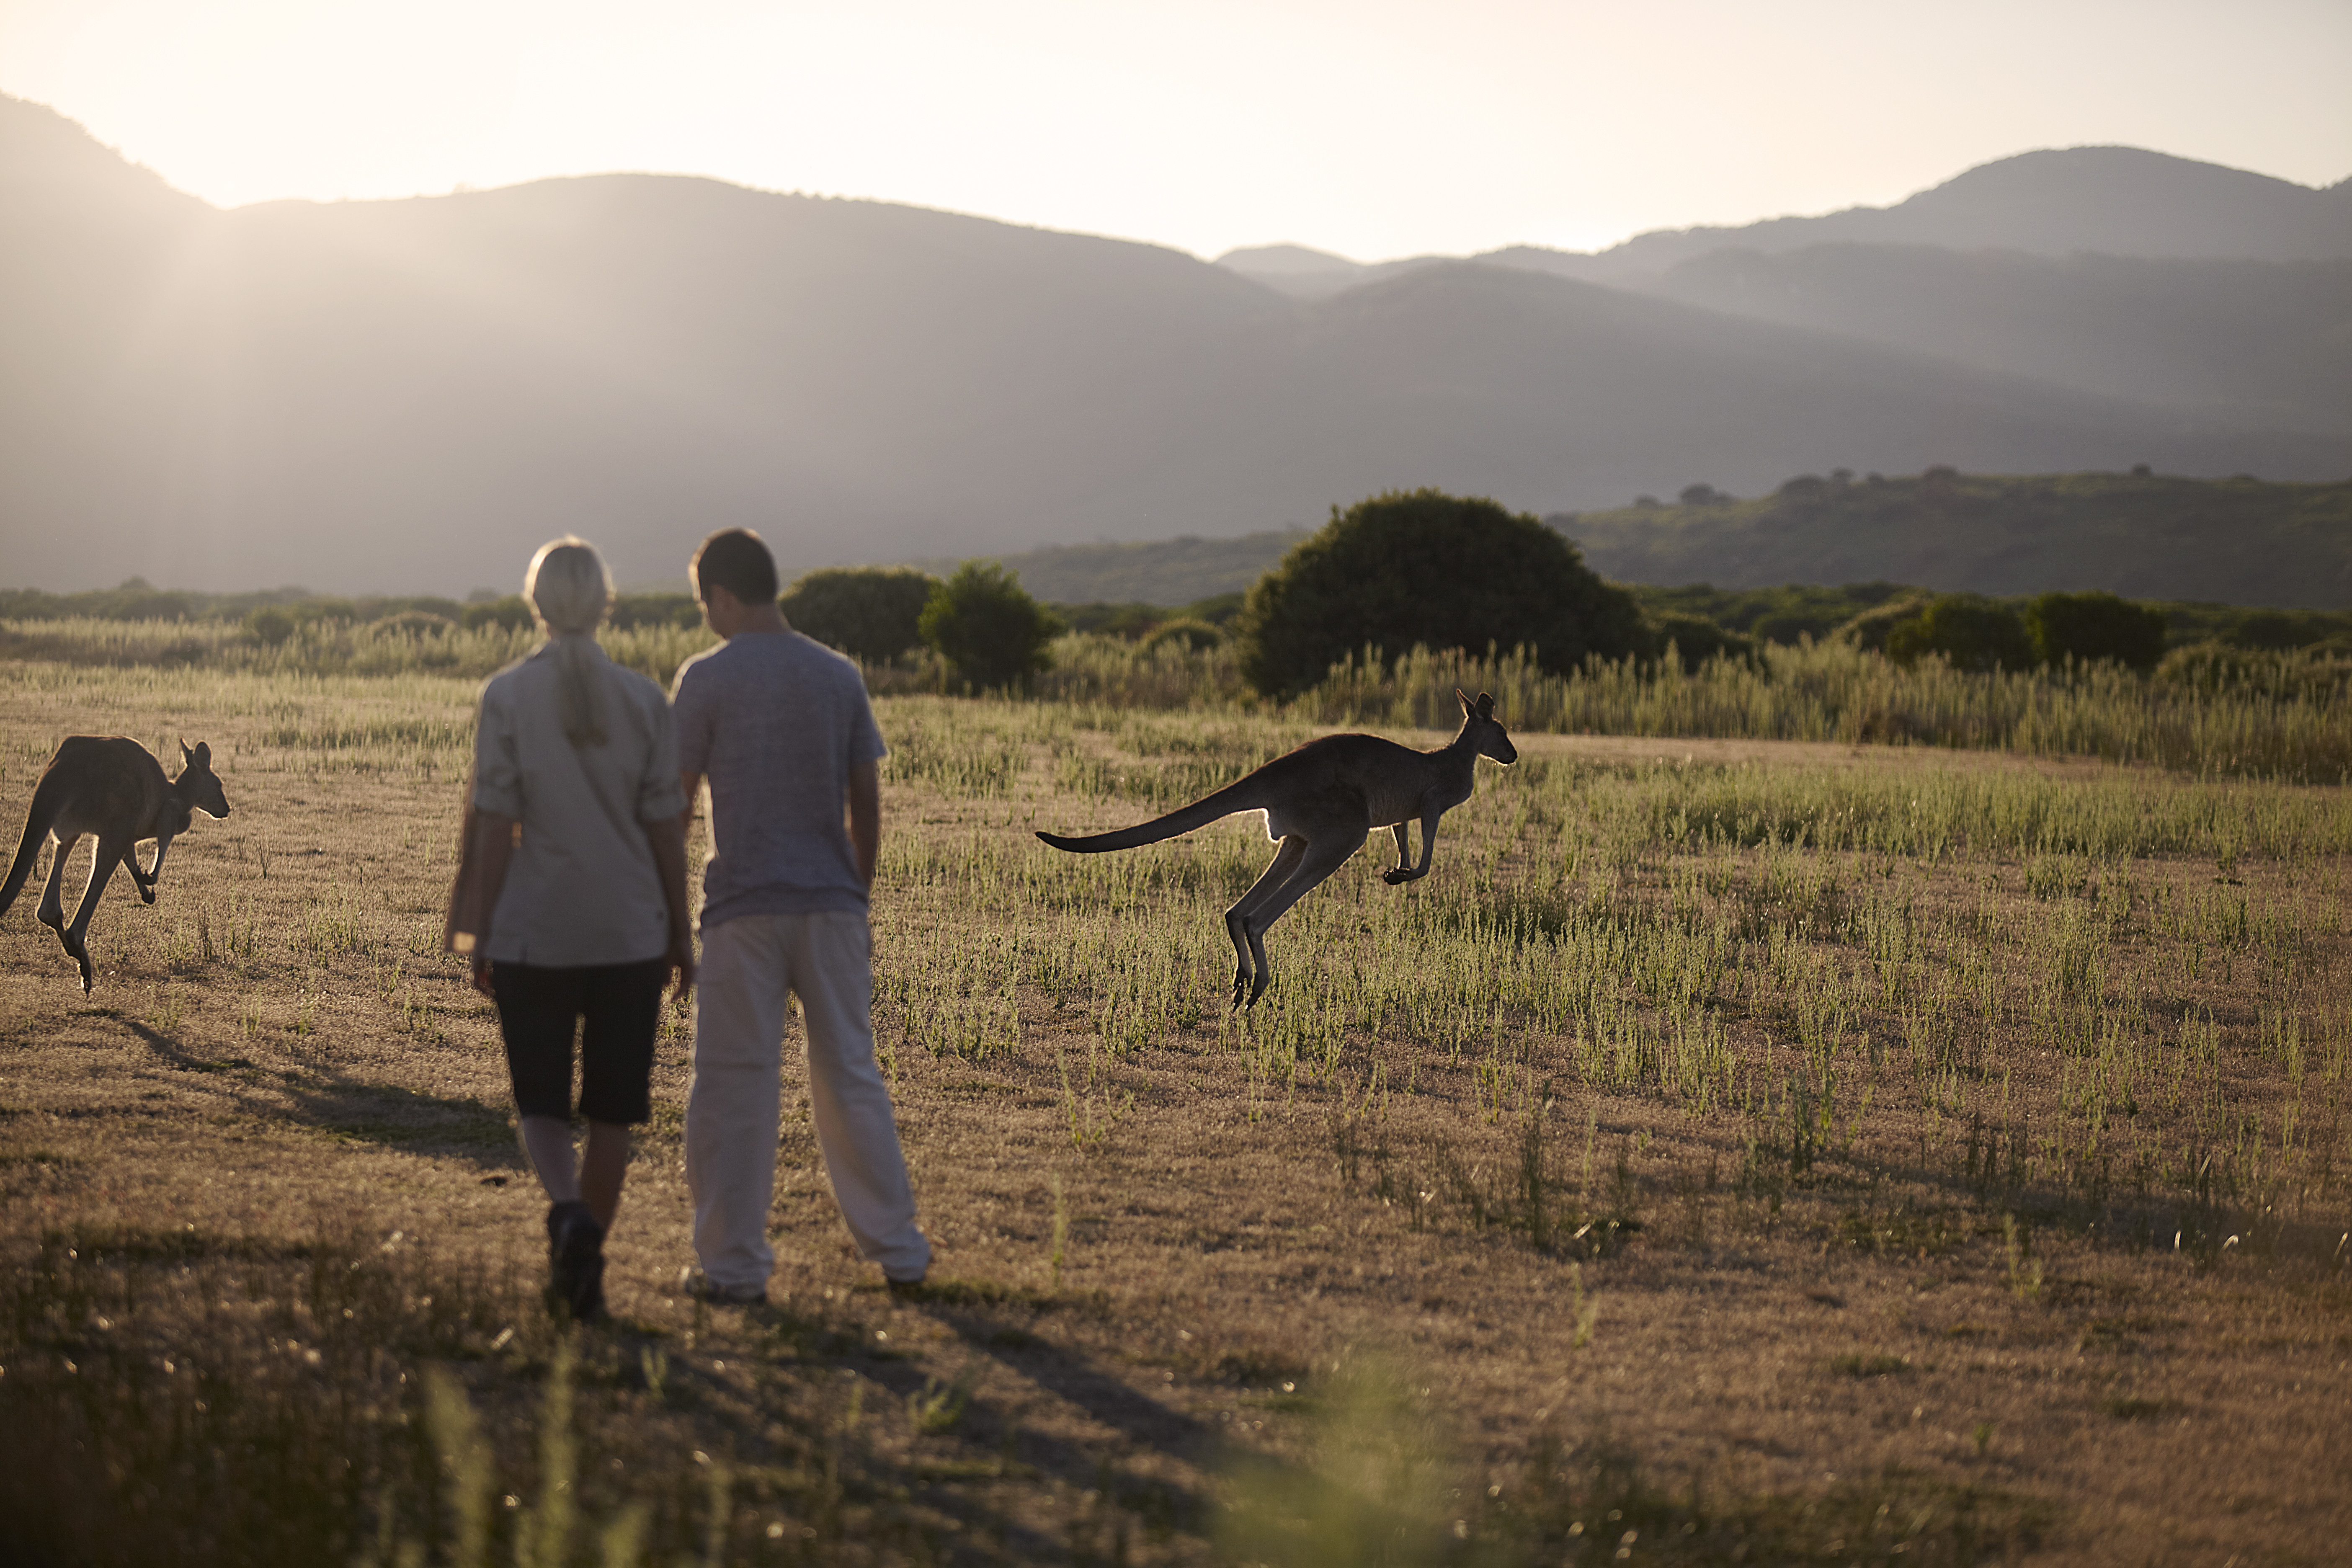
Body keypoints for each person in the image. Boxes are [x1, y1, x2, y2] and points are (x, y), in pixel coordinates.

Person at [671, 527, 928, 1304]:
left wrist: (670, 918)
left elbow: (674, 807)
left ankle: (734, 1267)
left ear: (721, 595)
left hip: (743, 910)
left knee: (732, 1088)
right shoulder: (837, 674)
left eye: (704, 604)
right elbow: (866, 806)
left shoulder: (705, 678)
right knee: (851, 1075)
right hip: (832, 905)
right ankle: (901, 1253)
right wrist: (858, 893)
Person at [445, 538, 693, 1323]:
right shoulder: (646, 701)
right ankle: (587, 1264)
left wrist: (477, 926)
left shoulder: (507, 696)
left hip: (535, 931)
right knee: (613, 1114)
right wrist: (680, 935)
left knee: (543, 1109)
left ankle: (568, 1216)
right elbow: (667, 830)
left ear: (537, 604)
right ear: (606, 603)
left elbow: (494, 823)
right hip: (630, 933)